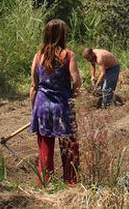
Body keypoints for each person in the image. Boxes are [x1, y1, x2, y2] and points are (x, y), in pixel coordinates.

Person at [29, 19, 81, 186]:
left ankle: (45, 183)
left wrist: (34, 110)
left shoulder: (38, 56)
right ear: (63, 35)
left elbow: (34, 85)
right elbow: (77, 81)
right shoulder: (69, 55)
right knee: (69, 147)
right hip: (63, 106)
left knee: (45, 148)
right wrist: (73, 92)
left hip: (42, 106)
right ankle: (71, 182)